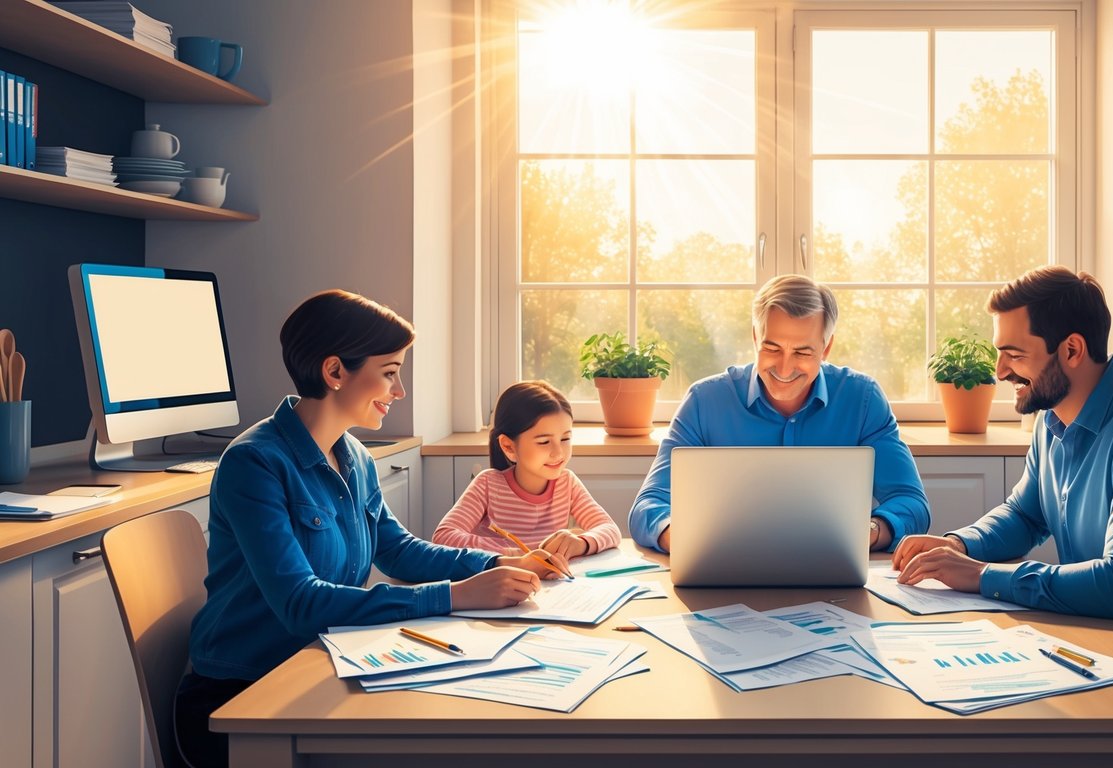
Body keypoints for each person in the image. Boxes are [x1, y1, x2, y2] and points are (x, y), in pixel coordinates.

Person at [175, 290, 569, 768]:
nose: (398, 391)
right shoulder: (254, 463)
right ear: (335, 372)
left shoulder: (353, 455)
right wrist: (458, 594)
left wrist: (498, 563)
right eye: (389, 373)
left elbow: (397, 550)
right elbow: (301, 604)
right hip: (240, 698)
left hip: (321, 666)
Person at [892, 266, 1113, 676]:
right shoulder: (1051, 422)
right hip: (1105, 651)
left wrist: (982, 576)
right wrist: (957, 547)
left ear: (1072, 350)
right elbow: (1024, 515)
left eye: (1015, 354)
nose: (1000, 371)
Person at [629, 274, 929, 553]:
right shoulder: (704, 401)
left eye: (802, 352)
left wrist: (870, 530)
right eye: (772, 348)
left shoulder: (862, 399)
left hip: (832, 578)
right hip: (723, 574)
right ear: (755, 338)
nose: (784, 369)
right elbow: (649, 506)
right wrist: (685, 539)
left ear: (826, 348)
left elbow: (912, 503)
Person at [432, 380, 621, 557]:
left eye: (565, 439)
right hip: (499, 582)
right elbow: (443, 536)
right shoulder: (487, 484)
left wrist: (581, 542)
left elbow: (610, 529)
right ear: (509, 447)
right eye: (544, 442)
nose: (558, 453)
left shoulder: (567, 483)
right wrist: (509, 554)